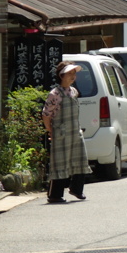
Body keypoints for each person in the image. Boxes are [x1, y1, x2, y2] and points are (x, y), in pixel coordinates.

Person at [42, 61, 91, 204]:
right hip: (61, 133)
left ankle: (76, 189)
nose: (73, 76)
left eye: (74, 73)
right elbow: (46, 114)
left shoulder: (73, 91)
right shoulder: (55, 94)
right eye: (69, 73)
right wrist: (50, 130)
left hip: (75, 131)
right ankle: (55, 195)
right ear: (61, 75)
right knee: (60, 162)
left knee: (80, 158)